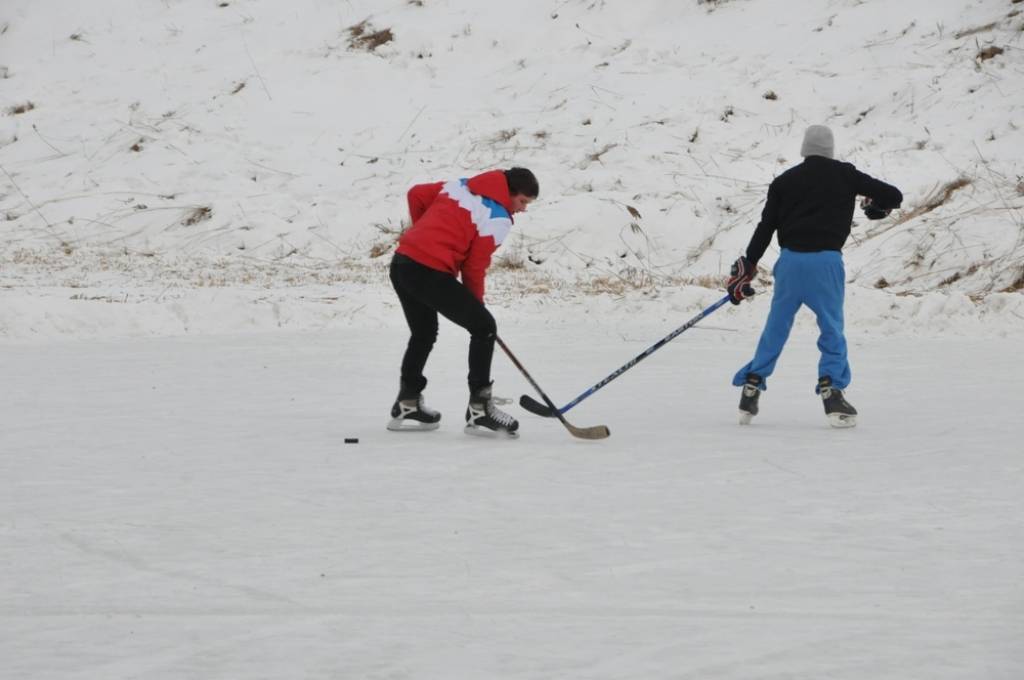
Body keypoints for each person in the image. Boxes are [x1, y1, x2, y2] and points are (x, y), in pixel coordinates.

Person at [726, 125, 902, 428]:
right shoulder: (846, 175)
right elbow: (893, 195)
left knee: (776, 328)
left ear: (805, 149)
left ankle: (752, 384)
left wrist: (747, 266)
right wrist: (877, 206)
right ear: (830, 149)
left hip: (790, 263)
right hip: (826, 263)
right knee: (831, 328)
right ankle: (832, 392)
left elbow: (766, 227)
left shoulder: (785, 181)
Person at [387, 167, 539, 438]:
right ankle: (480, 409)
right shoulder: (497, 217)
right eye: (523, 202)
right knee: (484, 328)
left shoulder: (459, 185)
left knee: (423, 333)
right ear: (510, 193)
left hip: (402, 263)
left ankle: (407, 402)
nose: (522, 209)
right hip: (427, 270)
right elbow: (474, 267)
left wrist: (425, 235)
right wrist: (477, 307)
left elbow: (417, 194)